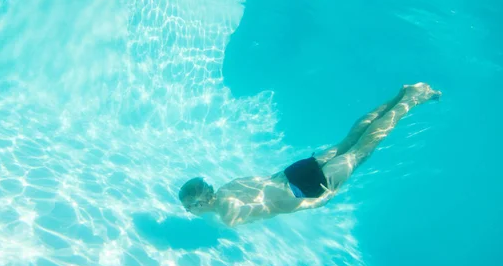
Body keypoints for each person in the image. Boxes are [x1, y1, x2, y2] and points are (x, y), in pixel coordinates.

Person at [178, 82, 442, 227]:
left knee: (363, 148)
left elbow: (276, 204)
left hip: (307, 189)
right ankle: (401, 94)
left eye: (188, 208)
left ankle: (413, 98)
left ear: (200, 203)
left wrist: (318, 202)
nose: (189, 212)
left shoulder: (229, 214)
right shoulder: (226, 189)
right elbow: (264, 183)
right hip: (292, 172)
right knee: (349, 140)